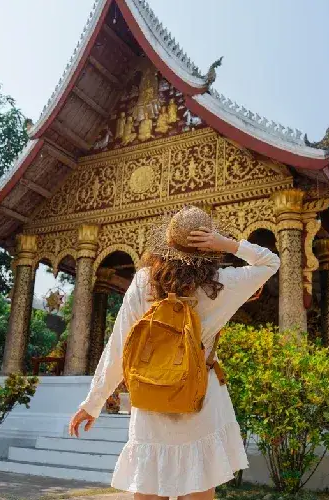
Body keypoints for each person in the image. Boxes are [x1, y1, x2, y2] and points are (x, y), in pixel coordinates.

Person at [69, 205, 280, 500]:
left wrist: (93, 403)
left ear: (168, 243)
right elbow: (270, 262)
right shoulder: (223, 284)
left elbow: (120, 345)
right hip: (201, 401)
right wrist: (228, 244)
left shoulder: (144, 282)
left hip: (151, 400)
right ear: (209, 246)